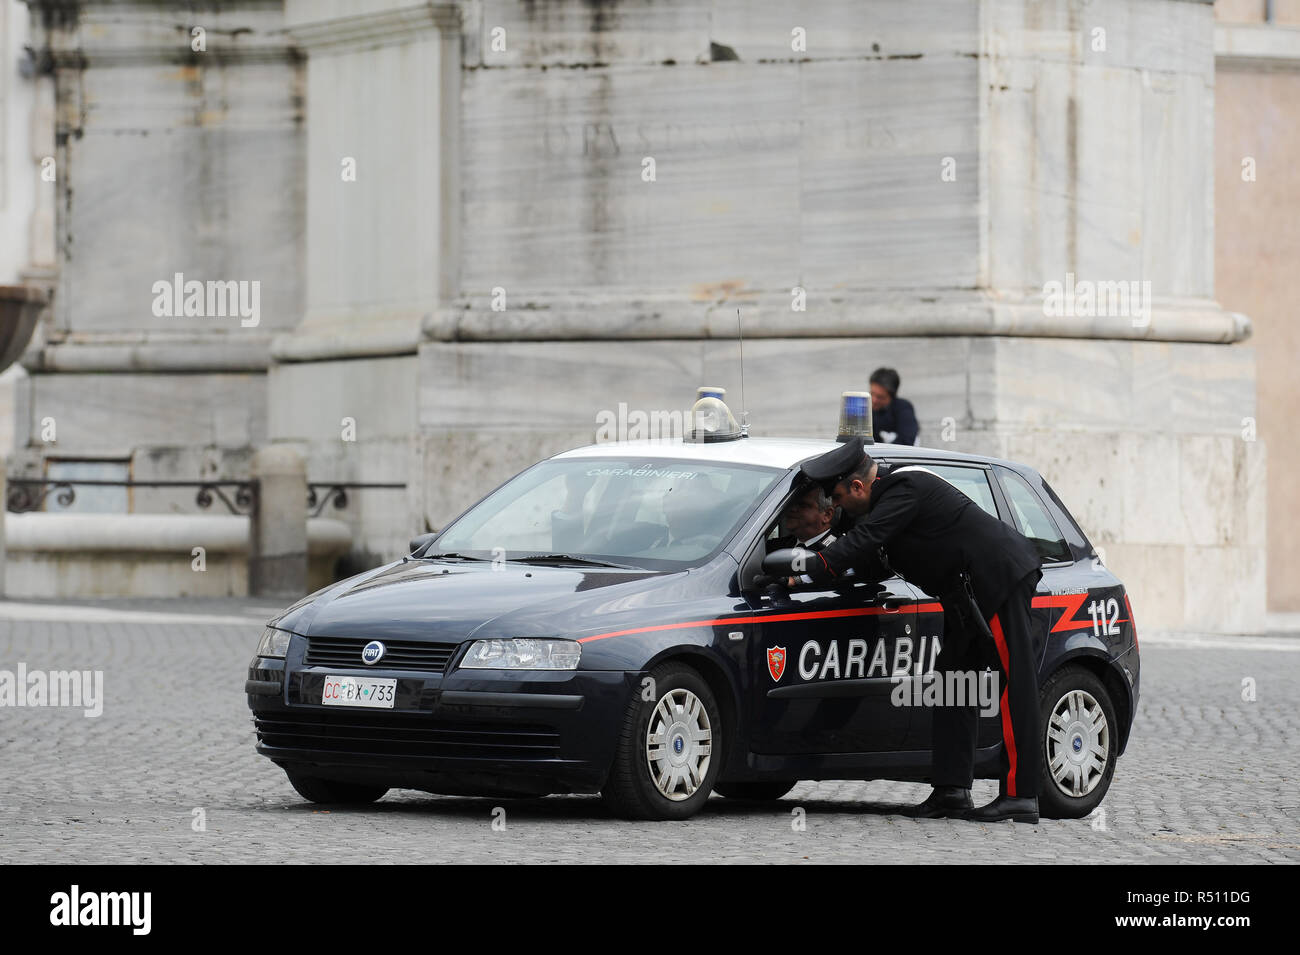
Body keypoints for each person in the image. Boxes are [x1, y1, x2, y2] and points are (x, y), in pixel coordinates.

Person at [763, 436, 1043, 823]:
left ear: (857, 486)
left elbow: (866, 541)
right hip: (964, 596)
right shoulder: (880, 510)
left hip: (999, 580)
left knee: (1014, 682)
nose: (839, 510)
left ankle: (1021, 794)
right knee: (954, 683)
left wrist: (814, 564)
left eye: (840, 499)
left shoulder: (905, 487)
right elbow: (872, 563)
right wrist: (810, 580)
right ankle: (951, 790)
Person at [766, 484, 837, 553]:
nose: (792, 509)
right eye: (790, 504)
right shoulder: (775, 547)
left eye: (803, 505)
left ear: (827, 515)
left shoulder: (839, 551)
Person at [869, 367, 919, 445]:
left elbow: (907, 441)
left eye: (880, 397)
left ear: (891, 396)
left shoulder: (903, 409)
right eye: (872, 394)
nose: (874, 400)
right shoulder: (869, 411)